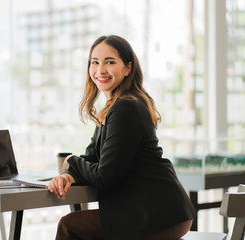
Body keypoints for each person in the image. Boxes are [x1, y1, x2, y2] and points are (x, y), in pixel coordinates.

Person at [47, 35, 196, 240]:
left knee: (69, 226)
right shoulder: (113, 107)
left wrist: (71, 161)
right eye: (94, 62)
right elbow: (92, 156)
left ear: (128, 68)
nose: (100, 70)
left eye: (110, 62)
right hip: (156, 210)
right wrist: (68, 175)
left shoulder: (125, 107)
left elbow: (104, 177)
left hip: (159, 214)